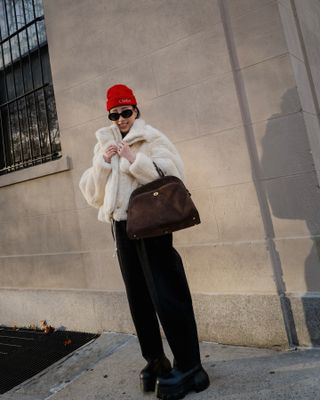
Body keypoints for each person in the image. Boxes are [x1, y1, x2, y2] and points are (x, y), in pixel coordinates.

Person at [79, 84, 210, 399]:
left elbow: (173, 177)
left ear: (135, 110)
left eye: (126, 112)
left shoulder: (152, 138)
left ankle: (191, 365)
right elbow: (92, 194)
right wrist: (102, 164)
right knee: (138, 298)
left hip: (153, 227)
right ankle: (156, 360)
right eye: (115, 114)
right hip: (121, 228)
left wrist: (134, 159)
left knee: (168, 293)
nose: (121, 119)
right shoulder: (103, 145)